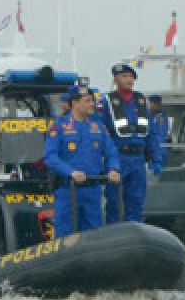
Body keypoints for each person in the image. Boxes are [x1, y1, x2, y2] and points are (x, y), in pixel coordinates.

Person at [44, 85, 120, 237]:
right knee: (65, 234)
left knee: (93, 234)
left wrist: (113, 169)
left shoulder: (98, 128)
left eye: (92, 101)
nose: (92, 104)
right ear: (75, 103)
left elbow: (112, 152)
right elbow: (50, 157)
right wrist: (71, 172)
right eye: (87, 101)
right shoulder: (58, 128)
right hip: (68, 190)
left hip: (92, 190)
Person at [98, 63, 162, 223]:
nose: (129, 80)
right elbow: (99, 132)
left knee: (137, 201)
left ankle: (134, 232)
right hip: (118, 158)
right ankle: (114, 235)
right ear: (115, 79)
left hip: (138, 159)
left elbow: (151, 133)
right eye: (124, 76)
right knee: (114, 202)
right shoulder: (107, 102)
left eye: (131, 77)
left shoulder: (142, 101)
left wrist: (156, 158)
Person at [148, 94, 170, 174]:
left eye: (154, 104)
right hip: (150, 151)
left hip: (159, 150)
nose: (151, 106)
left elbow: (161, 134)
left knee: (159, 172)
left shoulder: (162, 117)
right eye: (151, 104)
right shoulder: (148, 116)